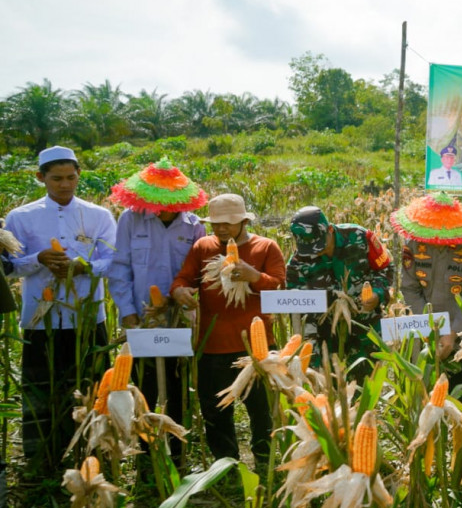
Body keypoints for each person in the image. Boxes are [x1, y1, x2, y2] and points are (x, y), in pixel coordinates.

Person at [4, 146, 115, 475]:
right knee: (42, 390)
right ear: (41, 177)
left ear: (79, 175)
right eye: (56, 179)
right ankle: (42, 460)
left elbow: (115, 260)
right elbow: (9, 268)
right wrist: (38, 259)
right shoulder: (21, 217)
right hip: (41, 319)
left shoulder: (99, 215)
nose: (65, 184)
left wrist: (84, 267)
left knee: (92, 388)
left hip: (87, 317)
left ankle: (94, 456)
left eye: (70, 177)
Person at [171, 194, 285, 467]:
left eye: (228, 223)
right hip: (212, 345)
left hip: (257, 349)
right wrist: (180, 291)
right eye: (216, 223)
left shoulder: (266, 247)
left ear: (244, 221)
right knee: (215, 412)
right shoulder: (203, 247)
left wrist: (255, 276)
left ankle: (265, 461)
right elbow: (184, 278)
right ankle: (225, 465)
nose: (221, 229)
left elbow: (280, 288)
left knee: (261, 410)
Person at [108, 158, 208, 462]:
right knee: (144, 384)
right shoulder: (130, 220)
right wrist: (127, 311)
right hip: (141, 319)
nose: (164, 208)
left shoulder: (194, 226)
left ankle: (177, 453)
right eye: (158, 202)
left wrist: (187, 296)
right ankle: (146, 458)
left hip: (179, 320)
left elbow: (199, 273)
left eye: (170, 203)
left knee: (178, 385)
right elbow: (120, 268)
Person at [392, 192, 462, 402]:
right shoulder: (413, 244)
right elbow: (409, 289)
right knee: (421, 399)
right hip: (422, 333)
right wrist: (429, 329)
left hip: (461, 337)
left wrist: (452, 333)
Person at [286, 206, 392, 379]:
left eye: (319, 245)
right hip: (326, 337)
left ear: (329, 229)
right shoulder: (297, 263)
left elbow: (385, 269)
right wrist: (311, 355)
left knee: (367, 384)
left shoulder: (360, 237)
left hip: (365, 330)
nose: (317, 252)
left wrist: (377, 294)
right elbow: (300, 312)